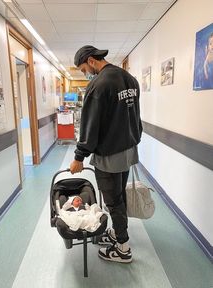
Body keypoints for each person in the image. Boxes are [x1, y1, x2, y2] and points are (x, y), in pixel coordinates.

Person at [70, 45, 142, 263]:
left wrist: (79, 157)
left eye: (84, 69)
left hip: (110, 155)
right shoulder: (129, 79)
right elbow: (135, 116)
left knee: (113, 202)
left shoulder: (98, 85)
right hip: (129, 150)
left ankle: (123, 248)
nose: (86, 73)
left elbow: (90, 126)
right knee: (118, 196)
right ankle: (118, 233)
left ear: (91, 60)